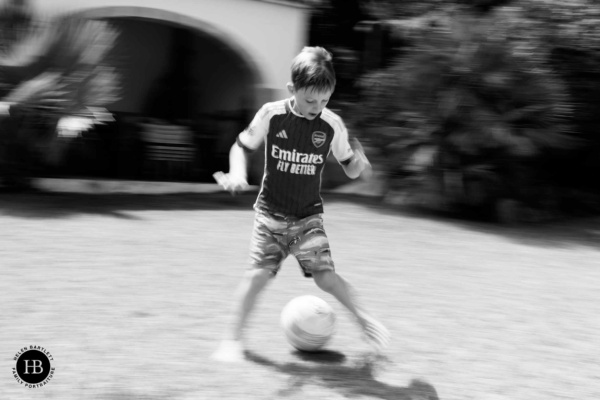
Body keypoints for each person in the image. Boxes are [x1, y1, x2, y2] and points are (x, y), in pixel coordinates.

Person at [211, 46, 390, 362]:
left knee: (326, 278)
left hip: (308, 218)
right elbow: (240, 147)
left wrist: (359, 166)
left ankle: (365, 320)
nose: (317, 107)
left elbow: (348, 161)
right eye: (310, 100)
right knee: (257, 276)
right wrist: (237, 174)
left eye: (324, 100)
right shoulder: (272, 114)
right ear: (292, 90)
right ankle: (232, 340)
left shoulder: (331, 124)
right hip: (269, 214)